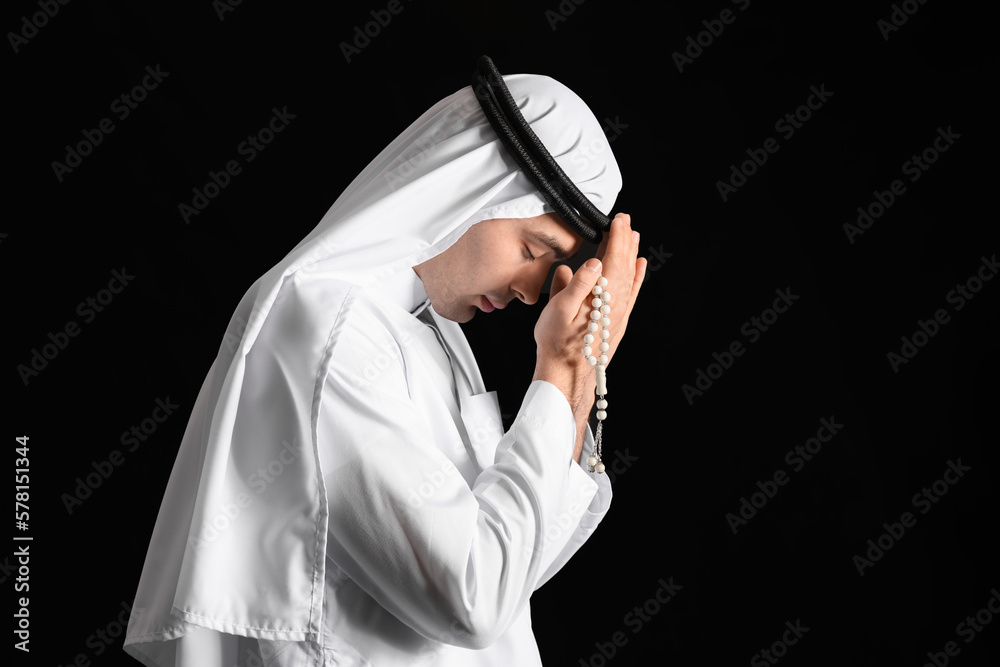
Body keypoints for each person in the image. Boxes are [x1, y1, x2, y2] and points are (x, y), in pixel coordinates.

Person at [124, 65, 646, 666]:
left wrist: (579, 384)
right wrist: (559, 373)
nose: (534, 290)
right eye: (532, 249)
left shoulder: (439, 337)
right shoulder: (330, 325)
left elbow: (515, 572)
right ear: (465, 187)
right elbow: (472, 600)